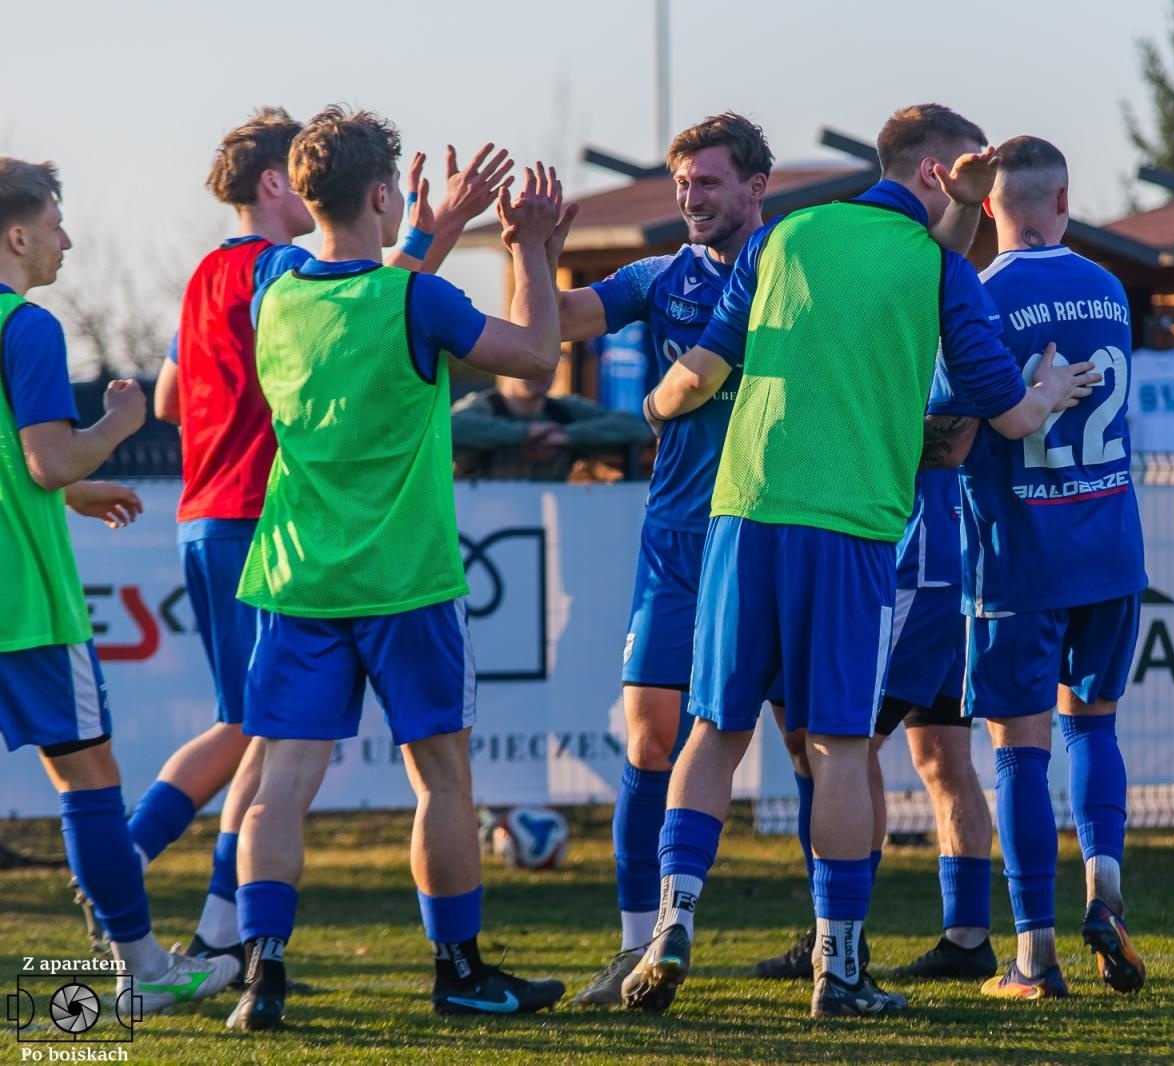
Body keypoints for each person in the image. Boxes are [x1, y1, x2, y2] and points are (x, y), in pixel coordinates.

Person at [621, 103, 1098, 1019]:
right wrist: (1045, 390)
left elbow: (702, 372)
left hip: (743, 513)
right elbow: (1007, 418)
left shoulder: (786, 234)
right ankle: (837, 968)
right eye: (970, 172)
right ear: (937, 175)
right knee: (840, 746)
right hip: (850, 529)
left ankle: (673, 921)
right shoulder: (938, 269)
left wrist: (654, 406)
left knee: (713, 732)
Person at [138, 108, 510, 972]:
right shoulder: (280, 270)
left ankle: (231, 938)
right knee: (261, 741)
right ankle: (139, 876)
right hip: (276, 524)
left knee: (260, 747)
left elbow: (168, 402)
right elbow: (378, 304)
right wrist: (434, 234)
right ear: (278, 183)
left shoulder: (211, 278)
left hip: (220, 524)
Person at [224, 106, 570, 1031]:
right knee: (442, 783)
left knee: (278, 788)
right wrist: (527, 247)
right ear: (383, 193)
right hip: (405, 583)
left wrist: (429, 227)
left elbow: (366, 286)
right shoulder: (417, 301)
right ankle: (459, 973)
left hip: (298, 579)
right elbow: (536, 358)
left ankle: (261, 976)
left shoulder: (272, 288)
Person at [541, 113, 774, 1007]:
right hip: (676, 540)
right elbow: (555, 324)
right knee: (648, 738)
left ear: (755, 186)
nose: (691, 198)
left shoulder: (792, 273)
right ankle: (640, 946)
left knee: (813, 744)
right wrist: (530, 252)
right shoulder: (660, 277)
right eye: (683, 183)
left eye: (708, 182)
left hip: (771, 531)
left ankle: (837, 944)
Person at [0, 156, 239, 1013]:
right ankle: (143, 971)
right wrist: (119, 422)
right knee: (90, 780)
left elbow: (30, 466)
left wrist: (70, 490)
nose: (66, 240)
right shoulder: (26, 325)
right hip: (24, 608)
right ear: (17, 235)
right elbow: (47, 457)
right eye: (55, 224)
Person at [926, 135, 1148, 1000]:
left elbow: (949, 440)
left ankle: (1035, 956)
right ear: (1063, 200)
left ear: (988, 206)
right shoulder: (1109, 289)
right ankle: (1105, 891)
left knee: (1019, 753)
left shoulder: (979, 295)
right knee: (1092, 728)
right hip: (1110, 547)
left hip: (1018, 558)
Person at [753, 474, 998, 985]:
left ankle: (841, 932)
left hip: (919, 565)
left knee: (846, 746)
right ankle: (967, 938)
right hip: (957, 559)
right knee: (942, 756)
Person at [450, 372, 654, 480]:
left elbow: (636, 427)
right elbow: (447, 429)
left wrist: (568, 435)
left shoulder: (563, 410)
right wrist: (524, 433)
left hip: (549, 522)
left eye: (550, 361)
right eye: (529, 363)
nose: (541, 371)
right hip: (483, 524)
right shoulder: (482, 407)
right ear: (505, 364)